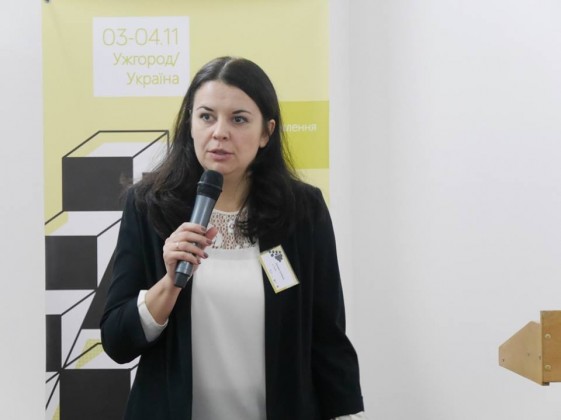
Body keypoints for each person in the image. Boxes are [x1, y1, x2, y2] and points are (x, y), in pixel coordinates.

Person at [100, 56, 366, 420]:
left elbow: (327, 336)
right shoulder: (148, 207)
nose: (219, 132)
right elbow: (117, 341)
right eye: (206, 116)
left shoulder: (302, 211)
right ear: (190, 123)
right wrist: (169, 284)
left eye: (238, 119)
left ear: (266, 133)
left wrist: (348, 413)